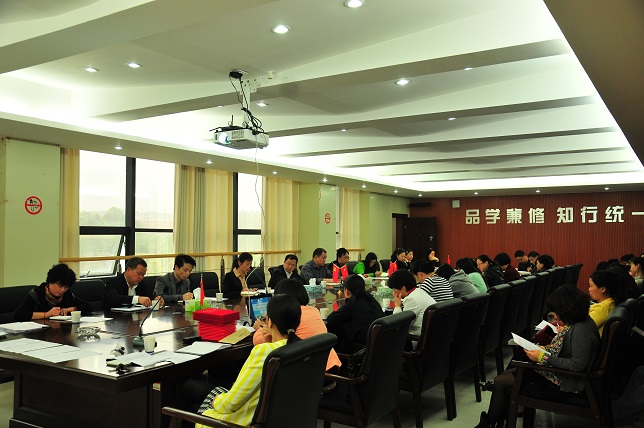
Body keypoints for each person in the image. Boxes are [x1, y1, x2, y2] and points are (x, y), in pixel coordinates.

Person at [476, 285, 600, 428]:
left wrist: (544, 357)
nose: (556, 316)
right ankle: (492, 421)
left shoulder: (581, 331)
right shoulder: (581, 322)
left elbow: (577, 365)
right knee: (508, 374)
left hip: (566, 385)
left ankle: (488, 423)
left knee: (502, 381)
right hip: (563, 378)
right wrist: (544, 351)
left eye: (557, 312)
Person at [194, 294, 302, 427]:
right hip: (278, 419)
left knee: (190, 396)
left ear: (270, 322)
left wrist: (215, 401)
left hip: (241, 421)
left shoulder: (264, 352)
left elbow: (231, 403)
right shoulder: (300, 346)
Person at [252, 279, 341, 371]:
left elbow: (258, 341)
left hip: (311, 373)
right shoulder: (314, 311)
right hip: (331, 367)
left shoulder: (288, 315)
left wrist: (260, 328)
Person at [325, 275, 384, 354]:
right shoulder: (370, 298)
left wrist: (346, 301)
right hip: (379, 344)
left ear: (347, 291)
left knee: (334, 327)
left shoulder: (354, 302)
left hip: (363, 348)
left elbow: (331, 319)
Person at [14, 263, 91, 321]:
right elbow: (18, 315)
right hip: (39, 333)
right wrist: (47, 314)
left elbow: (87, 306)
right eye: (60, 285)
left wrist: (69, 309)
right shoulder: (37, 293)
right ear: (51, 282)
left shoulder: (67, 295)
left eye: (66, 287)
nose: (62, 290)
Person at [389, 269, 436, 337]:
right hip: (431, 336)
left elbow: (399, 327)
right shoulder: (419, 291)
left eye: (395, 289)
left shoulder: (411, 299)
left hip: (416, 339)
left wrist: (397, 306)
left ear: (403, 288)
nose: (394, 293)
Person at [588, 270, 627, 336]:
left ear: (603, 289)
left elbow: (580, 328)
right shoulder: (611, 302)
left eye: (591, 286)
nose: (589, 289)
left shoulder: (602, 308)